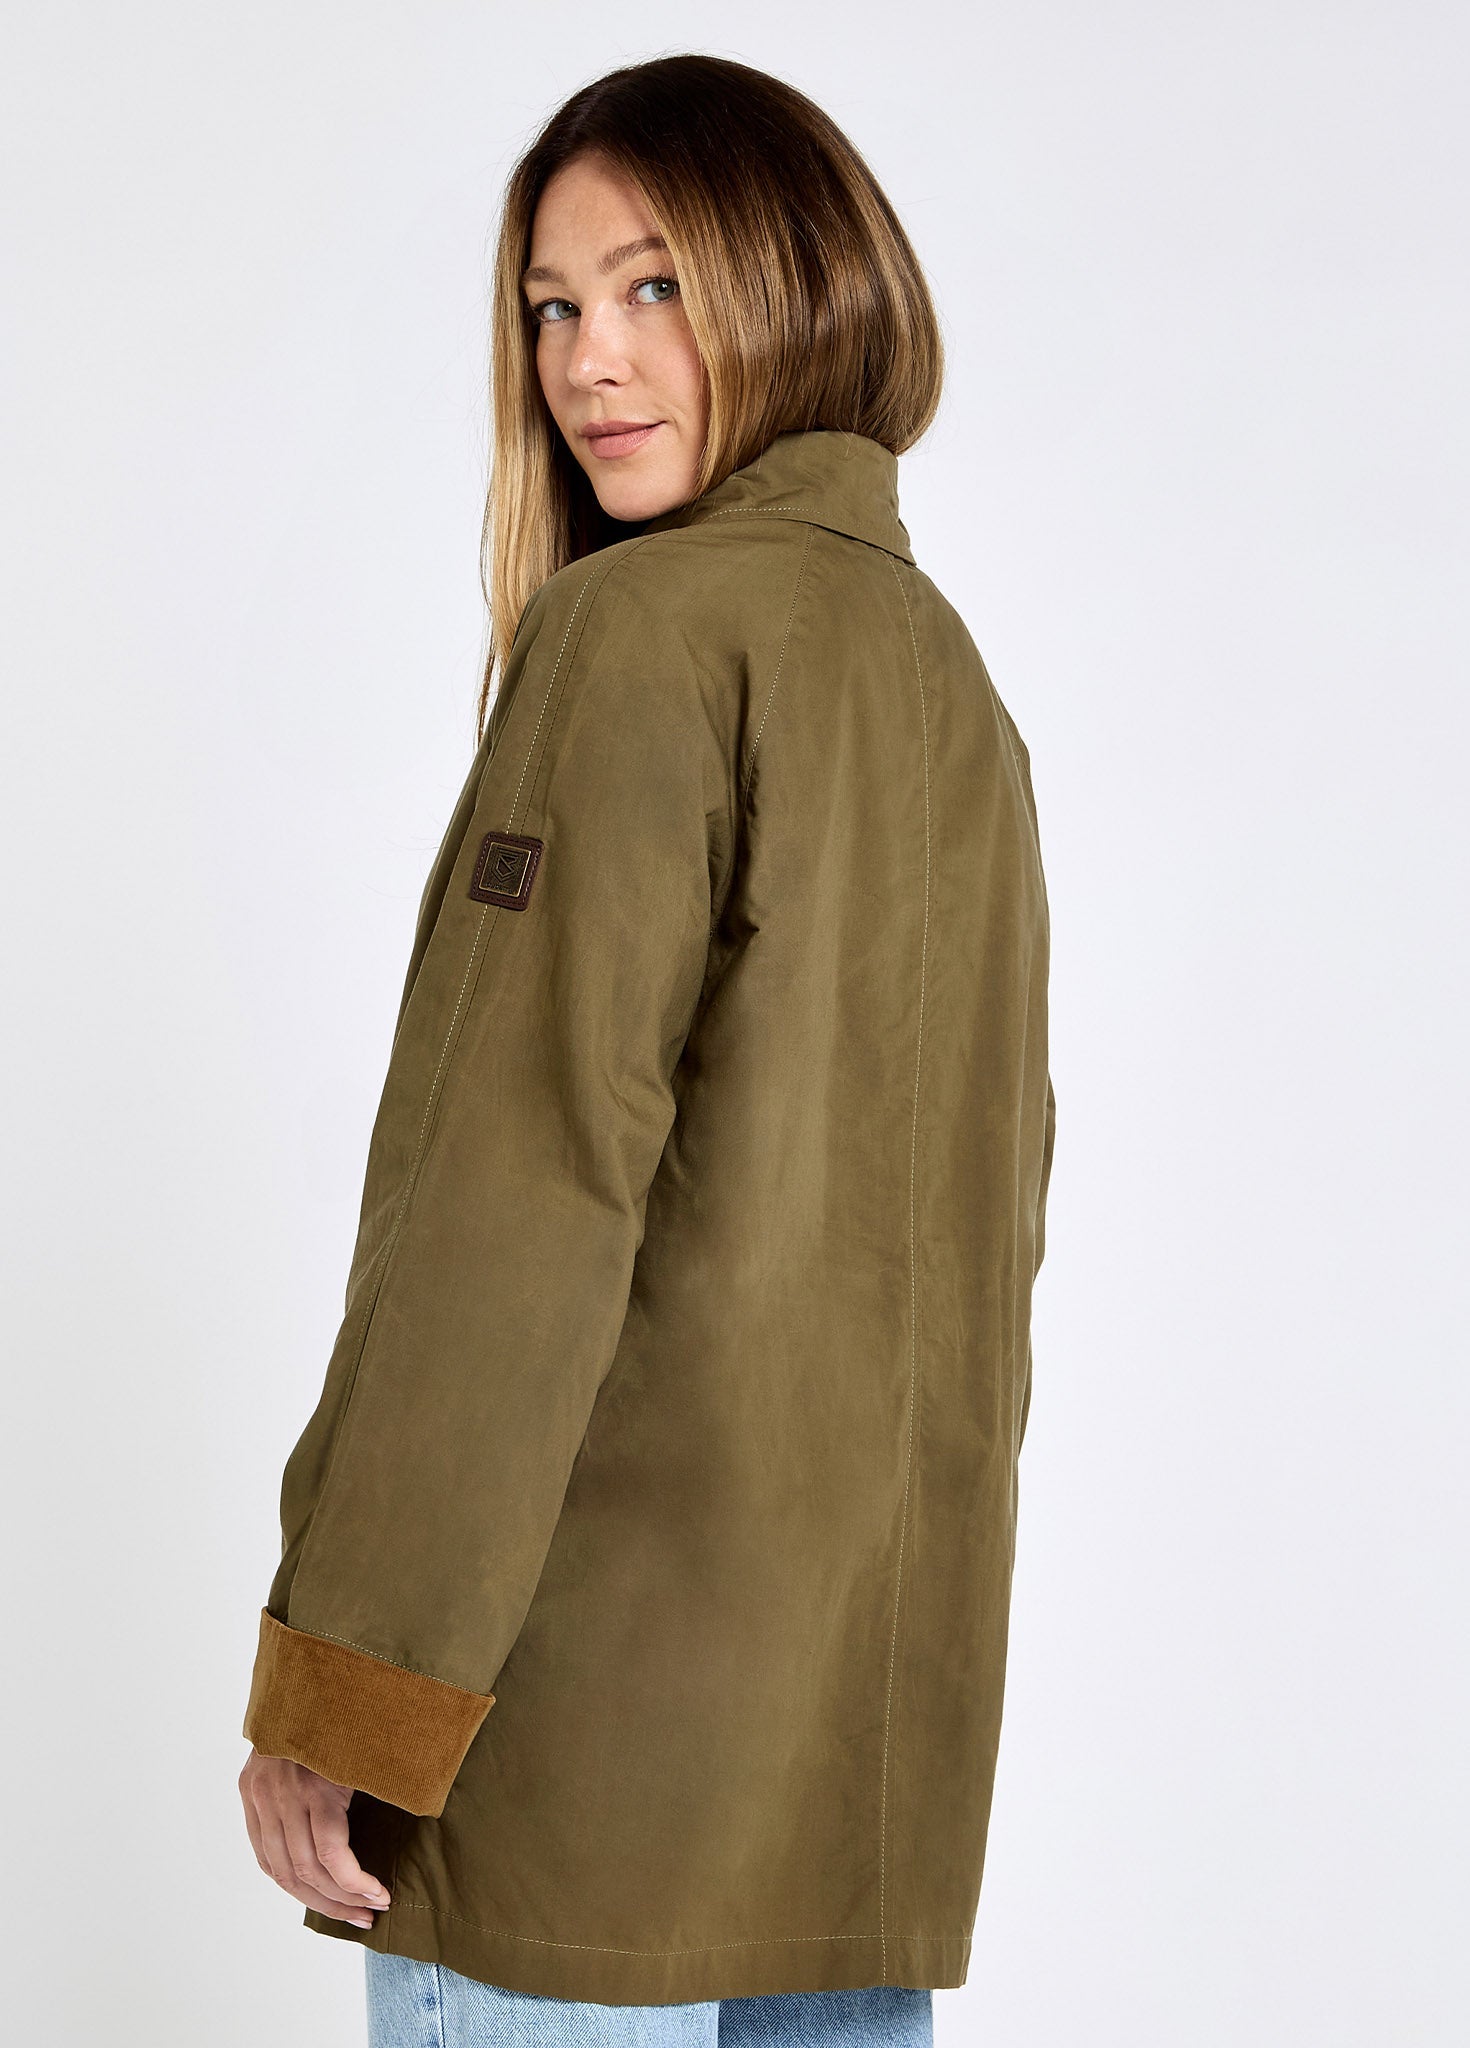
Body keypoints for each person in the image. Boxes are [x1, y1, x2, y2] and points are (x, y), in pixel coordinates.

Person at [238, 51, 1056, 2048]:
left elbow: (511, 1199)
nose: (587, 361)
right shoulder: (949, 686)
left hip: (576, 1770)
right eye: (552, 306)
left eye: (654, 286)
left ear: (800, 281)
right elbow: (986, 1239)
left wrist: (350, 1683)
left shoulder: (641, 637)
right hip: (850, 1779)